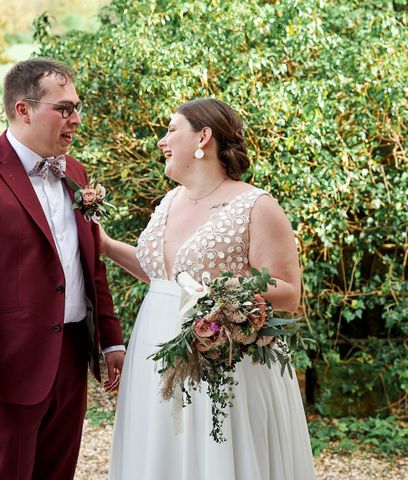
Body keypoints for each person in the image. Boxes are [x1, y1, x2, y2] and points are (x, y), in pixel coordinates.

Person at [102, 98, 316, 479]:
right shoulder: (170, 201)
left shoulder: (255, 205)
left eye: (171, 131)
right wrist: (105, 246)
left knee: (216, 455)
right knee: (160, 454)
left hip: (224, 360)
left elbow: (289, 292)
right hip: (155, 352)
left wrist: (233, 289)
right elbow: (163, 275)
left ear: (204, 136)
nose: (161, 142)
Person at [0, 58, 125, 480]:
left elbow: (90, 262)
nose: (76, 119)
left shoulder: (75, 172)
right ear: (23, 110)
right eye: (64, 109)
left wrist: (110, 340)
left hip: (73, 354)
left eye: (77, 107)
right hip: (10, 363)